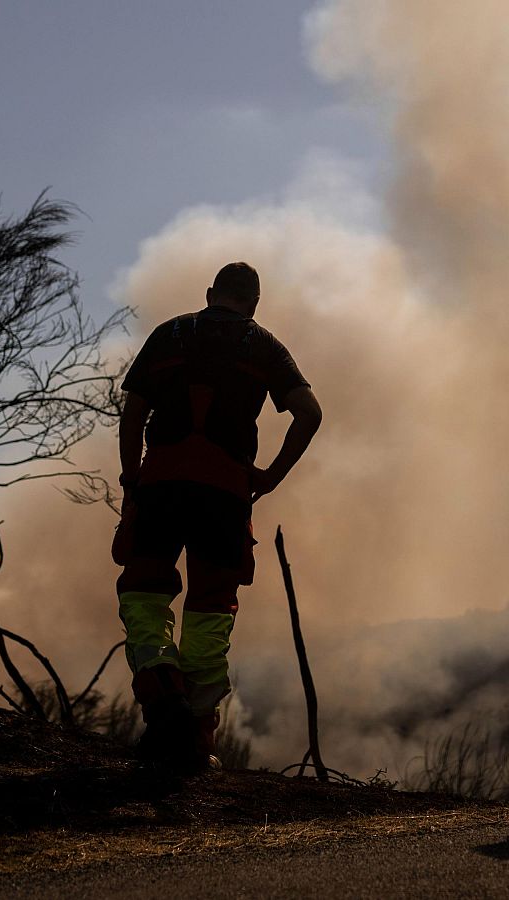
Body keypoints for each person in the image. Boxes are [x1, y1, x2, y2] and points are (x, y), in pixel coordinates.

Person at [113, 261, 323, 771]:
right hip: (225, 496)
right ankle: (197, 744)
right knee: (210, 611)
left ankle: (164, 702)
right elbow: (310, 412)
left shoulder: (169, 333)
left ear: (210, 293)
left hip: (160, 485)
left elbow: (133, 412)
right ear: (253, 302)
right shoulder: (264, 345)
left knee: (144, 594)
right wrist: (270, 475)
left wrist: (132, 478)